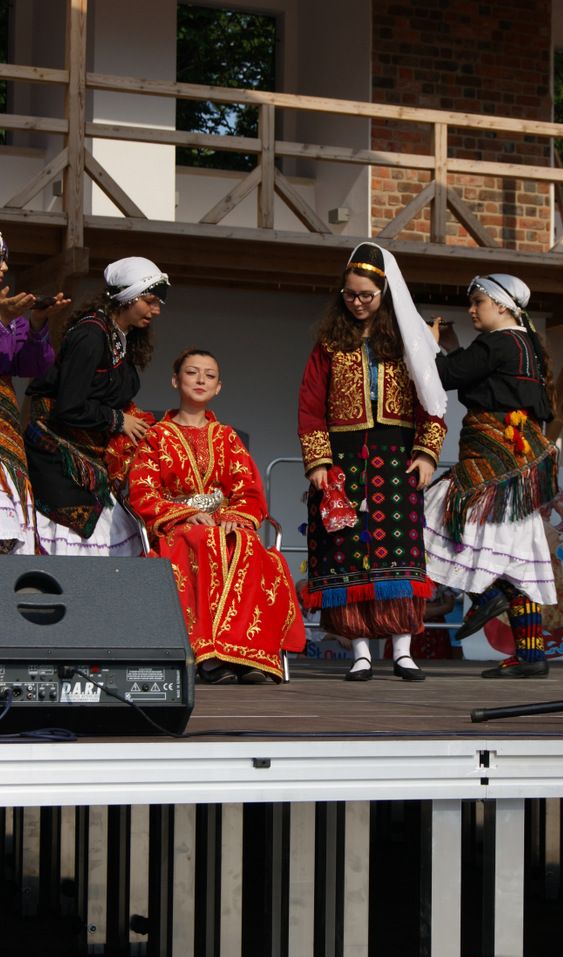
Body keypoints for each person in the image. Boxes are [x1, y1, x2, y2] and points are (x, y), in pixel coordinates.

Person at [297, 242, 447, 682]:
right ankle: (360, 652)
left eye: (366, 295)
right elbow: (310, 406)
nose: (357, 302)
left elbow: (431, 401)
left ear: (385, 293)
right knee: (345, 554)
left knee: (399, 553)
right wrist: (318, 462)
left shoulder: (406, 342)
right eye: (349, 294)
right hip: (342, 461)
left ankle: (402, 651)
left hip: (396, 460)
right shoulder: (329, 344)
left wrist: (427, 453)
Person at [127, 348, 306, 684]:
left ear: (218, 387)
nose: (201, 380)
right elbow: (142, 492)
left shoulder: (227, 437)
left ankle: (248, 653)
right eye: (192, 372)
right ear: (175, 380)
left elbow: (248, 490)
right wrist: (185, 513)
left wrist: (237, 516)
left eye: (209, 375)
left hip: (224, 524)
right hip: (178, 528)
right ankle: (208, 654)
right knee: (206, 540)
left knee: (246, 543)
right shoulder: (156, 436)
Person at [424, 273, 559, 678]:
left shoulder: (498, 343)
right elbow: (478, 376)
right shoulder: (526, 345)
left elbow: (445, 376)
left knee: (428, 521)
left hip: (491, 462)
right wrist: (452, 350)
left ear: (501, 306)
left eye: (477, 302)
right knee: (515, 553)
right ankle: (531, 656)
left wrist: (428, 345)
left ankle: (487, 597)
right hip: (516, 465)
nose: (471, 310)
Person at [25, 257, 169, 556]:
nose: (155, 310)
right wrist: (119, 421)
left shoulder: (122, 337)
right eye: (149, 301)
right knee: (75, 539)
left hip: (89, 453)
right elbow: (69, 405)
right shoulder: (90, 335)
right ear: (127, 296)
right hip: (58, 454)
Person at [0, 223, 64, 554]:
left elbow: (31, 366)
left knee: (4, 533)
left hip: (3, 433)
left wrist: (36, 324)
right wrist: (1, 323)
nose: (5, 266)